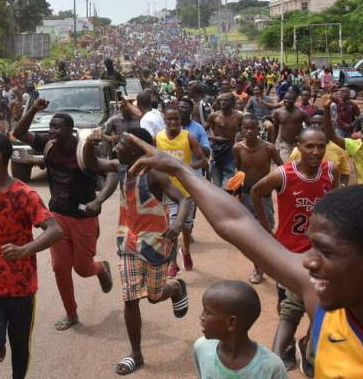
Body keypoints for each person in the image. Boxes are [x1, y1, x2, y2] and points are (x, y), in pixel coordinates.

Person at [122, 136, 363, 378]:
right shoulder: (322, 303)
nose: (308, 261)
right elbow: (237, 223)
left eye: (325, 252)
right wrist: (179, 169)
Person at [82, 128, 192, 376]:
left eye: (120, 145)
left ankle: (175, 288)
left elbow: (184, 199)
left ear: (134, 149)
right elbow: (92, 163)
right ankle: (136, 354)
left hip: (156, 244)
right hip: (128, 243)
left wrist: (176, 224)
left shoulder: (155, 174)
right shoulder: (120, 167)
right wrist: (90, 142)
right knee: (130, 297)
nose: (116, 149)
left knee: (153, 296)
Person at [0, 133, 63, 379]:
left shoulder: (24, 195)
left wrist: (23, 250)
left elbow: (55, 231)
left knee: (19, 347)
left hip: (21, 289)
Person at [12, 99, 114, 331]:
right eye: (50, 127)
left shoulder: (84, 150)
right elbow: (18, 132)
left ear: (70, 130)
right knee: (60, 268)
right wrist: (35, 109)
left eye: (57, 127)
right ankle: (71, 313)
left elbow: (113, 173)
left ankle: (100, 268)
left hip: (84, 218)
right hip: (57, 217)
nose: (52, 131)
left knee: (83, 268)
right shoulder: (48, 145)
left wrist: (98, 201)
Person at [251, 127, 336, 372]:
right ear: (298, 146)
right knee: (286, 305)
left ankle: (309, 344)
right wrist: (266, 230)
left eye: (321, 146)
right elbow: (256, 192)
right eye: (310, 146)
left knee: (320, 302)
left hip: (319, 254)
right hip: (288, 252)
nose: (316, 151)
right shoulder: (284, 175)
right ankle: (286, 347)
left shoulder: (330, 171)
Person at [193, 280, 288, 379]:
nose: (201, 317)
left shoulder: (271, 368)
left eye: (207, 312)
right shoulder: (202, 349)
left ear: (231, 322)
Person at [156, 107, 208, 275]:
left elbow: (204, 161)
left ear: (180, 121)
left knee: (186, 227)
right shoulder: (157, 138)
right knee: (173, 227)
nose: (173, 122)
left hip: (187, 188)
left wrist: (186, 168)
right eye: (170, 119)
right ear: (165, 120)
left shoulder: (189, 137)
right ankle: (173, 263)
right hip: (168, 190)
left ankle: (186, 251)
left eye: (176, 119)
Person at [233, 115, 282, 284]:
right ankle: (258, 269)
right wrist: (236, 194)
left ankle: (275, 265)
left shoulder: (269, 148)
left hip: (265, 195)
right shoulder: (238, 148)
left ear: (258, 129)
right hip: (246, 195)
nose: (248, 131)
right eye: (245, 128)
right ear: (241, 129)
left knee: (267, 230)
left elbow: (282, 170)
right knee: (253, 234)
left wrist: (282, 191)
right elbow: (238, 171)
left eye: (252, 128)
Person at [289, 112, 350, 187]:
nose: (317, 126)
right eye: (313, 123)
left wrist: (342, 186)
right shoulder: (299, 150)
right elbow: (290, 171)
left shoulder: (339, 149)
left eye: (320, 123)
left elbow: (345, 171)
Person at [206, 92, 243, 188]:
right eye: (221, 100)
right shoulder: (214, 116)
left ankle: (225, 196)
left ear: (232, 102)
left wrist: (240, 138)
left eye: (225, 100)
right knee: (216, 180)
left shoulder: (238, 117)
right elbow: (202, 132)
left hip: (230, 150)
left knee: (228, 179)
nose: (222, 102)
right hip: (216, 150)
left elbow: (244, 130)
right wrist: (214, 138)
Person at [272, 90, 308, 162]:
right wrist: (272, 143)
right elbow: (275, 128)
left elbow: (310, 126)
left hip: (298, 144)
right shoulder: (278, 112)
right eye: (285, 98)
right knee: (285, 164)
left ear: (295, 100)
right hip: (284, 143)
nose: (287, 101)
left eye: (290, 99)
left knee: (298, 164)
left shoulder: (301, 113)